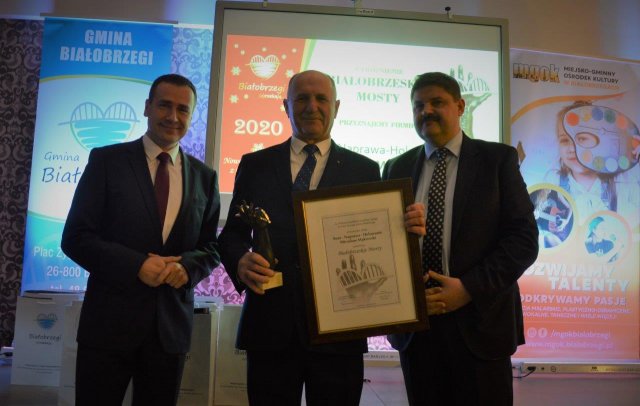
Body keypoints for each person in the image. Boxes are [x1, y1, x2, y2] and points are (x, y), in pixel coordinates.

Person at [218, 70, 425, 405]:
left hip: (340, 331)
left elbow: (378, 242)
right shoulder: (255, 164)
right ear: (286, 106)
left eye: (321, 99)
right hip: (270, 326)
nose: (311, 106)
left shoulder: (365, 170)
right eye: (301, 98)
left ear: (336, 107)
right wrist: (240, 260)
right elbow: (232, 234)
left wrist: (405, 227)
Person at [61, 73, 221, 405]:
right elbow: (76, 237)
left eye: (183, 109)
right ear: (147, 107)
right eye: (164, 105)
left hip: (169, 332)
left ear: (191, 115)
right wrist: (136, 266)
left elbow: (211, 247)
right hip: (108, 328)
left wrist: (187, 268)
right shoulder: (106, 161)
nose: (173, 117)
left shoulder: (205, 177)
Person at [383, 72, 539, 405]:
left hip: (481, 324)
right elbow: (385, 247)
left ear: (460, 106)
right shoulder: (396, 167)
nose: (426, 111)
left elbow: (523, 239)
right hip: (418, 330)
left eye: (437, 102)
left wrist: (467, 289)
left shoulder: (497, 160)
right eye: (418, 105)